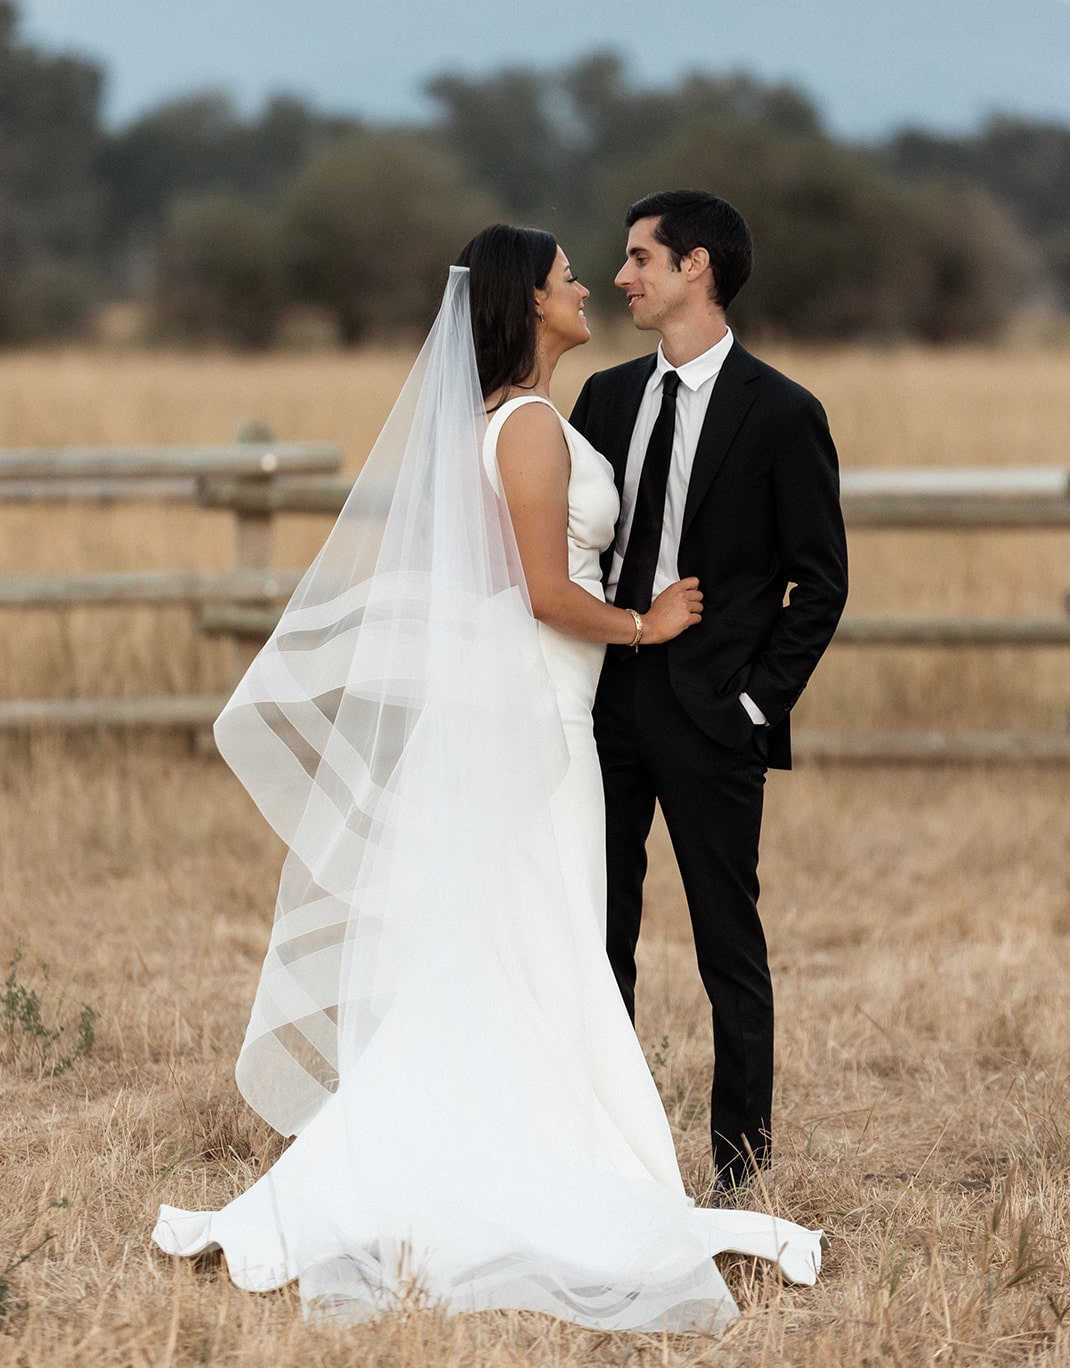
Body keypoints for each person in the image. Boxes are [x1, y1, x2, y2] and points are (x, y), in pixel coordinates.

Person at [153, 224, 823, 1333]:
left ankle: (527, 1127)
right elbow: (547, 593)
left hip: (532, 702)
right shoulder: (528, 431)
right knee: (539, 923)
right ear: (529, 304)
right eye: (567, 277)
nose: (588, 287)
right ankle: (521, 1156)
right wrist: (646, 626)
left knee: (522, 929)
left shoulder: (517, 422)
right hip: (542, 702)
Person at [570, 191, 848, 1193]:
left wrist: (752, 704)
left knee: (729, 947)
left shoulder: (782, 412)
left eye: (640, 257)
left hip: (713, 716)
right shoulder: (603, 398)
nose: (622, 276)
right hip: (604, 706)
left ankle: (740, 1170)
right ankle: (603, 1151)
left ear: (696, 267)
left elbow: (821, 582)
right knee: (595, 935)